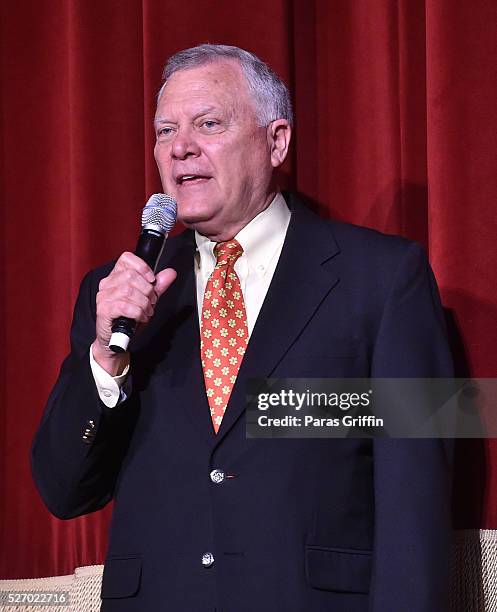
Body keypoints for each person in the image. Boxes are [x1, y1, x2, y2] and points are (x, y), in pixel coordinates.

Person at [32, 44, 453, 611]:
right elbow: (64, 491)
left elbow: (415, 498)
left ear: (276, 141)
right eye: (164, 131)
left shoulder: (382, 278)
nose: (180, 147)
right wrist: (105, 363)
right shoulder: (118, 294)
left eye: (209, 124)